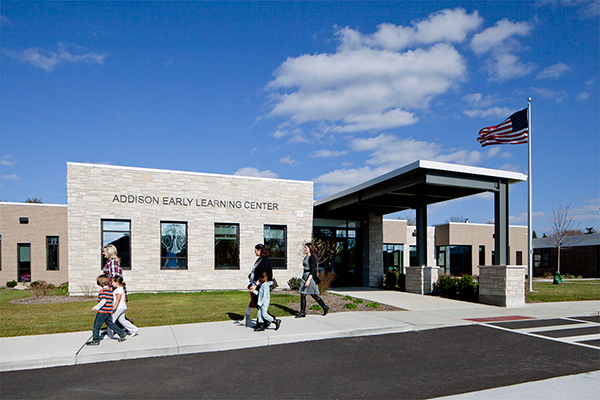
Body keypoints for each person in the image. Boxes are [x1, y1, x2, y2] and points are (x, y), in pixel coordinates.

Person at [86, 275, 127, 346]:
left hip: (102, 312)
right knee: (110, 324)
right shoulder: (110, 292)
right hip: (108, 311)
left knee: (96, 326)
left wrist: (96, 307)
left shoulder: (102, 292)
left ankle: (95, 340)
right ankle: (121, 333)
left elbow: (103, 301)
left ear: (100, 283)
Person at [243, 244, 274, 327]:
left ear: (260, 250)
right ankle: (262, 322)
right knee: (257, 303)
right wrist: (251, 283)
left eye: (256, 250)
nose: (255, 252)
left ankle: (270, 319)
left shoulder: (265, 260)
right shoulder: (259, 260)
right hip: (256, 283)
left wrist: (255, 285)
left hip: (263, 284)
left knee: (259, 303)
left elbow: (262, 274)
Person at [296, 243, 329, 318]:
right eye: (304, 248)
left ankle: (324, 307)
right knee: (302, 294)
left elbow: (313, 271)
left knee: (313, 294)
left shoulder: (312, 258)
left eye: (306, 248)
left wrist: (308, 280)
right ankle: (302, 312)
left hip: (310, 278)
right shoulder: (306, 257)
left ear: (309, 249)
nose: (304, 249)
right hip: (304, 276)